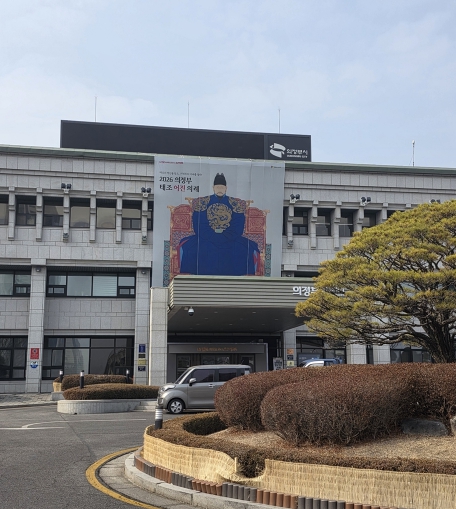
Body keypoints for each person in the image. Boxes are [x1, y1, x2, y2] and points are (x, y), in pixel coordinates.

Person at [178, 173, 260, 275]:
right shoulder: (203, 203)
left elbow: (238, 225)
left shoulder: (235, 204)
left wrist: (224, 236)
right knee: (190, 248)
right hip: (206, 238)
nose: (219, 189)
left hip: (230, 238)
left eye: (222, 187)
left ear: (226, 188)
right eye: (217, 187)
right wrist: (213, 236)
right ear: (213, 188)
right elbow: (199, 224)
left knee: (245, 249)